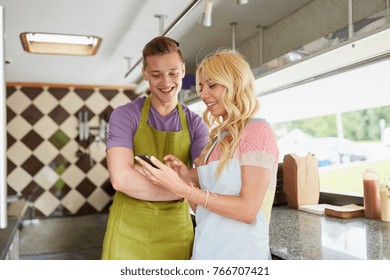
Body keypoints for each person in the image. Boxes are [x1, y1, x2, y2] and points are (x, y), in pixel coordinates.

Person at [136, 49, 279, 260]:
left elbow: (247, 210)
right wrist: (185, 177)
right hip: (206, 253)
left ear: (236, 83)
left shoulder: (257, 131)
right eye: (201, 87)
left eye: (212, 85)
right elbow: (204, 212)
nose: (203, 94)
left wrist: (184, 189)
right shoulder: (217, 139)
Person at [101, 36, 209, 260]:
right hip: (128, 231)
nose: (166, 82)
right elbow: (120, 179)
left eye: (173, 73)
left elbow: (205, 180)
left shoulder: (195, 123)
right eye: (156, 75)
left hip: (176, 231)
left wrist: (143, 174)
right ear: (145, 74)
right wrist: (181, 188)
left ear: (183, 70)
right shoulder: (125, 115)